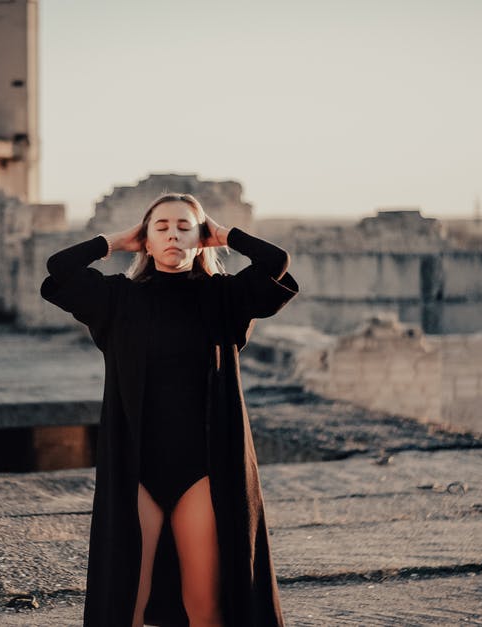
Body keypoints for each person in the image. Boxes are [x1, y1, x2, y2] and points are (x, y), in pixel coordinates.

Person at [41, 192, 298, 626]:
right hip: (136, 467)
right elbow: (58, 271)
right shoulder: (117, 299)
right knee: (127, 605)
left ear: (201, 239)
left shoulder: (224, 298)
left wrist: (224, 234)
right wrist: (114, 242)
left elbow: (276, 264)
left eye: (184, 227)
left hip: (202, 468)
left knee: (205, 606)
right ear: (146, 240)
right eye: (160, 228)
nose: (173, 236)